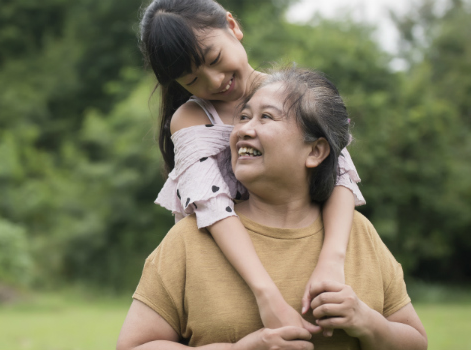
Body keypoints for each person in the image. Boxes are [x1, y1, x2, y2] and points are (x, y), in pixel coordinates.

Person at [116, 67, 427, 350]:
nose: (243, 130)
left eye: (266, 117)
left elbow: (416, 342)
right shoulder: (189, 239)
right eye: (243, 117)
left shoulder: (358, 234)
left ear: (316, 150)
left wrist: (368, 322)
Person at [139, 0, 364, 331]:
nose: (214, 81)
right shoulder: (192, 118)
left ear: (232, 26)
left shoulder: (293, 95)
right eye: (193, 80)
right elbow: (212, 205)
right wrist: (266, 294)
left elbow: (340, 174)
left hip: (295, 241)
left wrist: (332, 262)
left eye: (215, 59)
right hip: (221, 264)